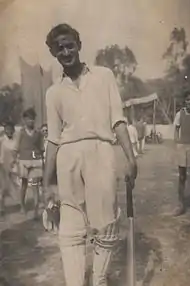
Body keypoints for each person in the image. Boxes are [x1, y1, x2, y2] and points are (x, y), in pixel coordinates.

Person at [44, 23, 137, 286]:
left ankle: (98, 281)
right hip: (68, 157)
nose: (65, 51)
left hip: (101, 152)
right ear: (53, 53)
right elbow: (52, 139)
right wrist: (48, 181)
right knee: (71, 230)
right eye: (59, 48)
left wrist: (131, 158)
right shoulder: (53, 93)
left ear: (79, 45)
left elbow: (118, 121)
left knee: (105, 225)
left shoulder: (104, 76)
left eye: (69, 45)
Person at [14, 108, 44, 219]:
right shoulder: (20, 133)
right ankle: (22, 206)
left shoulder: (38, 133)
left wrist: (42, 160)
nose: (31, 121)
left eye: (32, 119)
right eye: (28, 119)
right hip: (23, 160)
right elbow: (16, 148)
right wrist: (14, 161)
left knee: (35, 186)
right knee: (24, 184)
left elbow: (41, 148)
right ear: (24, 120)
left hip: (35, 160)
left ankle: (36, 209)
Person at [173, 90, 190, 217]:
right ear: (184, 101)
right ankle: (180, 205)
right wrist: (177, 143)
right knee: (182, 177)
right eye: (188, 100)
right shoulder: (179, 114)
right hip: (182, 146)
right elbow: (176, 129)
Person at [0, 121, 19, 216]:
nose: (9, 131)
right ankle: (2, 206)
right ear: (5, 130)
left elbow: (17, 152)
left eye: (11, 129)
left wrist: (15, 161)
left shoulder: (16, 140)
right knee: (2, 187)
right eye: (7, 129)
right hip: (2, 164)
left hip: (13, 164)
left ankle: (19, 202)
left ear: (13, 130)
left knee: (14, 184)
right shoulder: (1, 140)